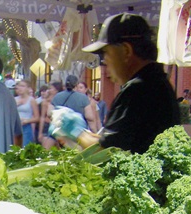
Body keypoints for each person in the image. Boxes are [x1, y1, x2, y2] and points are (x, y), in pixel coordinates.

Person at [52, 13, 180, 154]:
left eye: (106, 52)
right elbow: (115, 139)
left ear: (126, 50)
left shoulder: (138, 91)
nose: (104, 61)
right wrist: (85, 133)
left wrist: (76, 132)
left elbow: (106, 151)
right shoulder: (156, 83)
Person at [14, 80, 39, 147]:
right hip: (15, 126)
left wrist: (27, 121)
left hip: (26, 126)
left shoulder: (31, 100)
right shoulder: (14, 99)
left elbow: (37, 118)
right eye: (19, 86)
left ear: (27, 88)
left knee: (25, 147)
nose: (20, 88)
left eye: (23, 86)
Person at [38, 80, 62, 149]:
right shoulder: (45, 101)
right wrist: (40, 132)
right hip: (47, 126)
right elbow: (42, 117)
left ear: (56, 90)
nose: (48, 90)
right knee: (46, 148)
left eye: (50, 88)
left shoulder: (60, 100)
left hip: (58, 126)